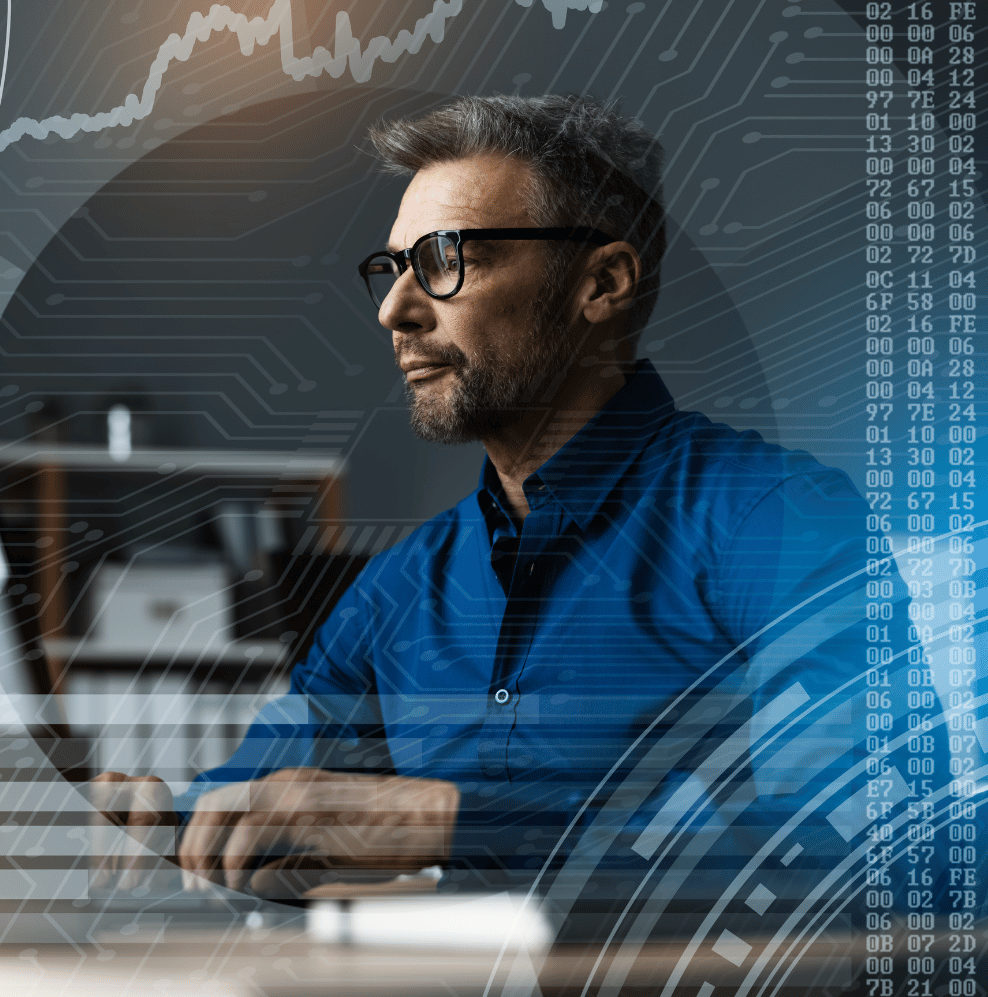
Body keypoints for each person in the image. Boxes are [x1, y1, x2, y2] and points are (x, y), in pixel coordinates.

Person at [90, 94, 874, 901]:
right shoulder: (400, 588)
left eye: (446, 257)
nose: (396, 308)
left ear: (601, 282)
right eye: (393, 268)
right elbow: (264, 791)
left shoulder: (779, 521)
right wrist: (160, 819)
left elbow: (873, 843)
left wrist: (448, 821)